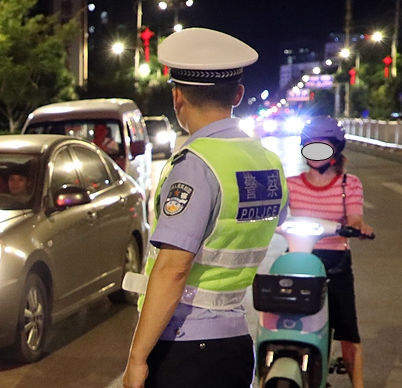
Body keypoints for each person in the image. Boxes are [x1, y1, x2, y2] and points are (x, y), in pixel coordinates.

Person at [123, 28, 288, 388]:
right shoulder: (267, 162)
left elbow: (173, 269)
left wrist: (137, 358)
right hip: (235, 344)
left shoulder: (196, 165)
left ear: (177, 96)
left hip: (184, 348)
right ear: (239, 95)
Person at [286, 116, 373, 388]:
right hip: (299, 261)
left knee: (348, 330)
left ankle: (357, 384)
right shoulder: (291, 184)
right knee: (289, 323)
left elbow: (355, 217)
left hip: (336, 262)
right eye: (309, 145)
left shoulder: (350, 184)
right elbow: (273, 219)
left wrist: (359, 227)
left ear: (335, 150)